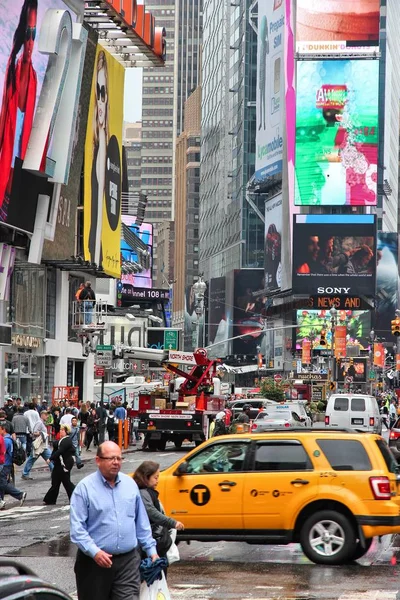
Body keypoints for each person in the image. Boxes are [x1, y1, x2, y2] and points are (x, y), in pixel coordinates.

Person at [70, 441, 159, 600]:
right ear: (98, 460)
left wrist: (152, 551)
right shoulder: (84, 489)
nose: (116, 462)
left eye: (119, 458)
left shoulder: (130, 484)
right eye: (111, 458)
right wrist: (95, 552)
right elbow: (77, 530)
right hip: (94, 564)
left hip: (128, 562)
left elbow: (141, 523)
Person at [0, 0, 38, 221]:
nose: (31, 39)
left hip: (19, 187)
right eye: (28, 32)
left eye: (34, 32)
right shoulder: (12, 71)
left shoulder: (33, 78)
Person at [133, 461, 184, 569]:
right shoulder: (143, 493)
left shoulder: (147, 492)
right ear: (146, 477)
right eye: (155, 478)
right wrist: (172, 523)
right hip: (150, 541)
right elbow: (152, 512)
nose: (158, 481)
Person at [88, 50, 109, 266]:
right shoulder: (92, 143)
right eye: (97, 92)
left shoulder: (107, 146)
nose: (99, 102)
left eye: (103, 93)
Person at [43, 424, 76, 505]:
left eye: (62, 430)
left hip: (64, 464)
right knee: (55, 482)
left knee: (66, 483)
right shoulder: (62, 440)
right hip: (59, 464)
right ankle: (50, 499)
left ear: (66, 432)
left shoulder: (67, 440)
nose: (60, 432)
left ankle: (77, 497)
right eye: (60, 430)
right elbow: (56, 448)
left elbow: (60, 451)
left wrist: (50, 459)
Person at [0, 421, 26, 510]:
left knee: (2, 483)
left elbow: (2, 452)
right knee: (3, 483)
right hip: (8, 464)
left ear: (4, 430)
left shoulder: (6, 440)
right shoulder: (9, 439)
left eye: (0, 429)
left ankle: (19, 494)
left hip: (5, 464)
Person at [22, 410, 53, 480]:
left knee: (50, 457)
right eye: (46, 415)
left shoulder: (42, 423)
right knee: (32, 459)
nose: (47, 416)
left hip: (42, 445)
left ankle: (54, 471)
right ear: (42, 415)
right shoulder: (39, 423)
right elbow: (34, 432)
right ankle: (25, 473)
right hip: (39, 445)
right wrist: (42, 433)